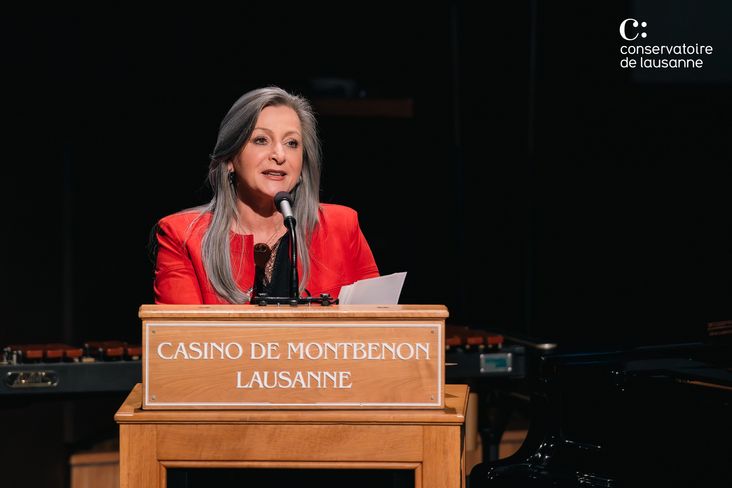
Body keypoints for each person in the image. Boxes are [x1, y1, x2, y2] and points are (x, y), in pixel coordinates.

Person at [153, 86, 379, 304]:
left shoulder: (342, 227)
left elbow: (376, 323)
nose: (279, 155)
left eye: (291, 143)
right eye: (261, 140)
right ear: (230, 159)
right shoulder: (183, 237)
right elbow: (181, 330)